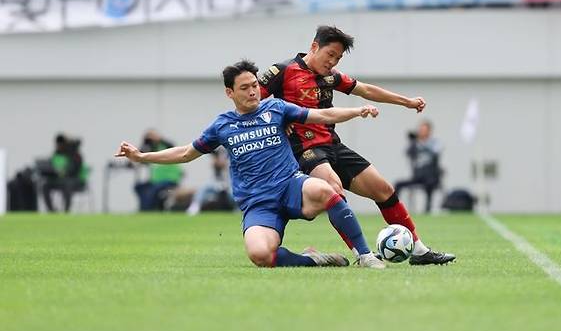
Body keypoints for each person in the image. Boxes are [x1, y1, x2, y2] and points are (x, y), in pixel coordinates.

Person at [115, 60, 385, 269]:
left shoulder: (276, 108)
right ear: (229, 92)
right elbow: (186, 152)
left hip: (291, 186)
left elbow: (322, 114)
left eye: (255, 85)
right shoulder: (222, 126)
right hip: (259, 203)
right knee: (260, 255)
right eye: (244, 87)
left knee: (328, 190)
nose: (253, 91)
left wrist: (357, 111)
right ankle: (315, 260)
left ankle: (364, 255)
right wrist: (142, 157)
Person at [259, 25, 456, 265]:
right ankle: (362, 255)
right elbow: (249, 101)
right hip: (305, 149)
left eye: (338, 57)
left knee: (382, 189)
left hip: (333, 145)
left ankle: (419, 251)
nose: (332, 61)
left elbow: (366, 90)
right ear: (313, 47)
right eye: (329, 54)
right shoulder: (283, 70)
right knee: (334, 188)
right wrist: (278, 120)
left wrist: (406, 102)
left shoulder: (331, 76)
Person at [395, 121, 443, 214]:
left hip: (431, 177)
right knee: (398, 184)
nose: (421, 132)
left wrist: (421, 143)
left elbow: (436, 151)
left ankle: (427, 210)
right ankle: (395, 210)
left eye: (424, 130)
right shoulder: (415, 143)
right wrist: (413, 142)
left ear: (429, 131)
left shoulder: (435, 142)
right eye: (420, 130)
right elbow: (407, 153)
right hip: (418, 177)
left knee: (429, 185)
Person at [133, 129, 184, 211]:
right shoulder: (152, 149)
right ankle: (143, 210)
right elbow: (140, 153)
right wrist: (145, 141)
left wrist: (158, 138)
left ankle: (149, 211)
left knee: (153, 191)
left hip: (169, 180)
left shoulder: (166, 147)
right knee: (140, 187)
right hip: (155, 182)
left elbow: (172, 146)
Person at [41, 134, 86, 212]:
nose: (59, 146)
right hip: (60, 179)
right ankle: (51, 211)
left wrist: (65, 172)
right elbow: (52, 164)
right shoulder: (57, 153)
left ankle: (66, 211)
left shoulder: (74, 153)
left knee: (67, 184)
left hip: (75, 179)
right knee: (45, 186)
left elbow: (76, 169)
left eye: (61, 144)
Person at [186, 147, 232, 216]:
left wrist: (222, 161)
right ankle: (195, 207)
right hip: (217, 183)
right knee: (203, 189)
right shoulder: (216, 156)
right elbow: (214, 164)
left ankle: (239, 209)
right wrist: (215, 159)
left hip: (230, 182)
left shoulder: (230, 154)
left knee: (233, 195)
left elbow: (225, 165)